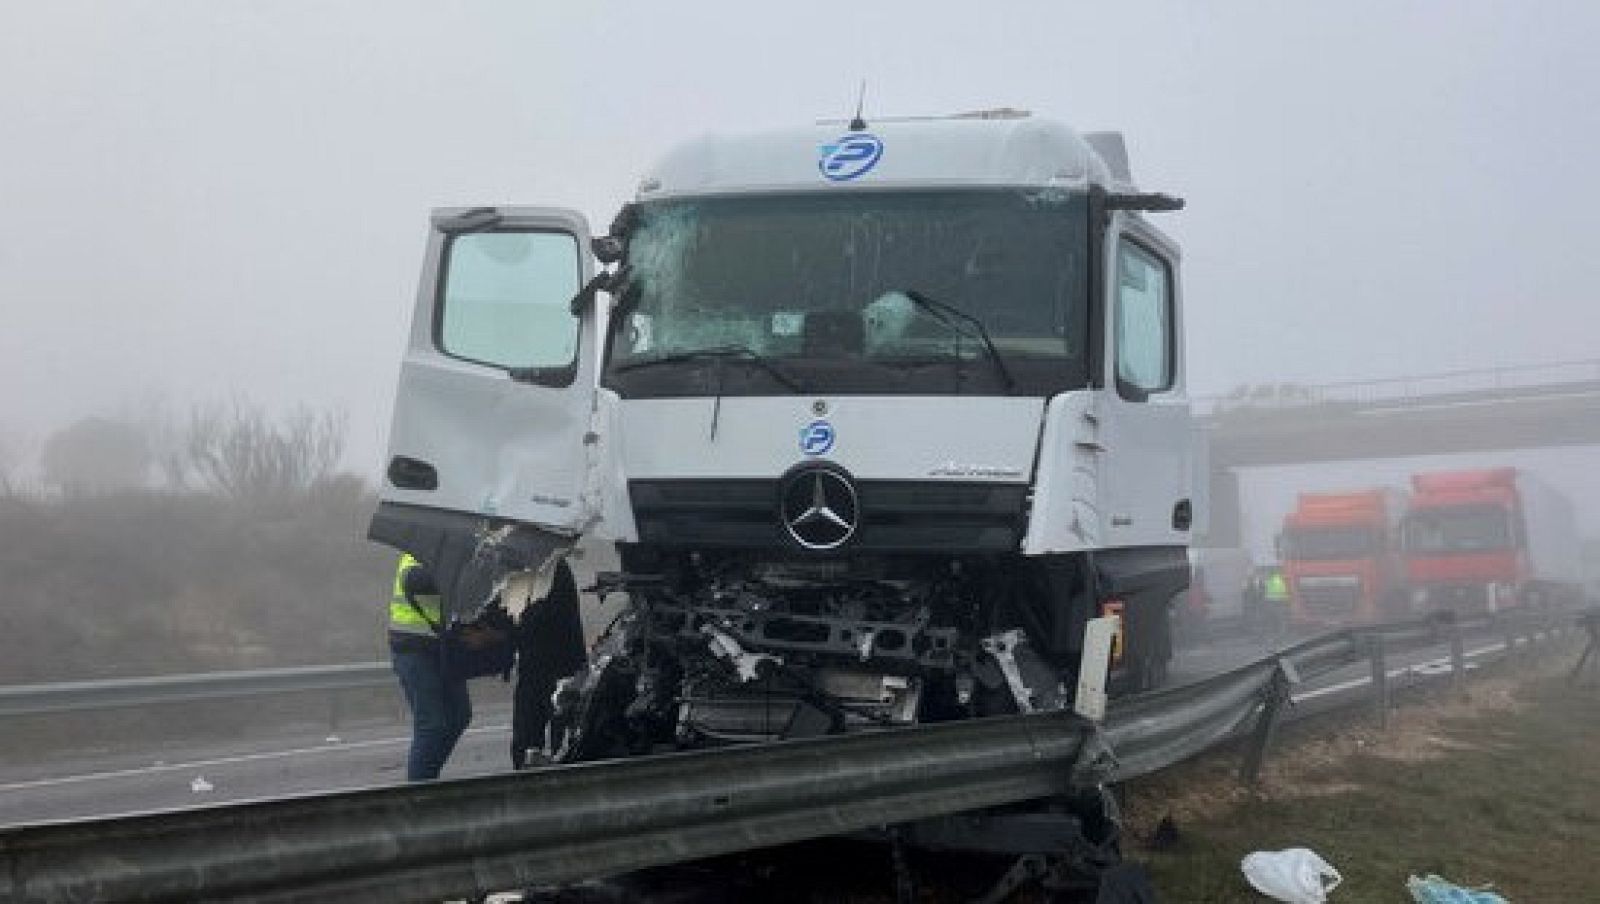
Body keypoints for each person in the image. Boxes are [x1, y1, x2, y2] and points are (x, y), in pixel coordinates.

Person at [388, 552, 472, 782]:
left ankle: (426, 781)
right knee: (432, 725)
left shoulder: (453, 553)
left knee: (459, 716)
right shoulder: (421, 551)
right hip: (414, 648)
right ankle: (419, 794)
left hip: (440, 648)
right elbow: (416, 580)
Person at [509, 558, 587, 769]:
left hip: (556, 666)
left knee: (555, 738)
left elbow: (535, 618)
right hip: (542, 665)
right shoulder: (537, 570)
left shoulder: (550, 570)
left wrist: (504, 633)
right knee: (529, 737)